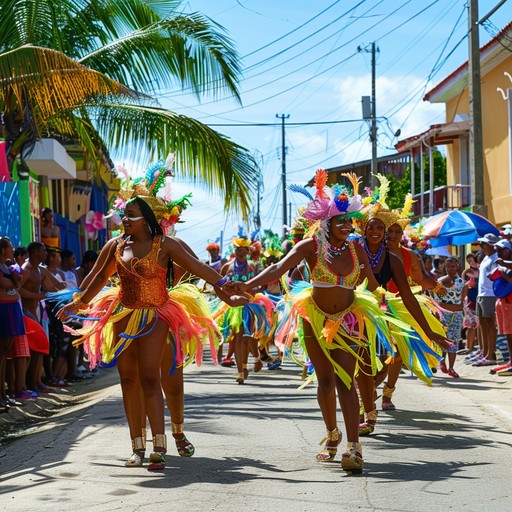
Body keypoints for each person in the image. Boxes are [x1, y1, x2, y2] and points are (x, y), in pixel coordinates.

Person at [57, 179, 242, 471]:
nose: (124, 220)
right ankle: (137, 448)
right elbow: (98, 278)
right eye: (124, 214)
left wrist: (224, 285)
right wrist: (77, 303)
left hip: (157, 315)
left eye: (131, 215)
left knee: (153, 378)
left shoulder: (167, 244)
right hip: (123, 316)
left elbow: (197, 268)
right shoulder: (114, 245)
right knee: (129, 381)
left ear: (149, 219)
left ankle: (162, 443)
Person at [229, 170, 396, 474]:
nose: (347, 226)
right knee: (326, 380)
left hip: (346, 321)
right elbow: (279, 267)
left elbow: (372, 283)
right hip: (315, 318)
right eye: (341, 222)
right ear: (326, 223)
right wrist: (248, 285)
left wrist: (383, 305)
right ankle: (332, 435)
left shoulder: (356, 248)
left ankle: (354, 448)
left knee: (346, 380)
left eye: (350, 221)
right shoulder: (311, 247)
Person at [354, 195, 450, 435]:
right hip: (352, 311)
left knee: (389, 357)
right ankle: (360, 406)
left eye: (381, 228)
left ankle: (371, 404)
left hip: (387, 309)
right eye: (372, 227)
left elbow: (410, 291)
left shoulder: (397, 259)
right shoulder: (353, 249)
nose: (378, 232)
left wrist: (427, 331)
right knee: (357, 364)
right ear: (363, 228)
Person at [216, 229, 274, 383]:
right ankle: (241, 371)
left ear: (248, 252)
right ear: (234, 251)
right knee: (238, 338)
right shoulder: (226, 267)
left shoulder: (254, 267)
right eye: (238, 250)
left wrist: (249, 288)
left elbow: (263, 284)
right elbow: (219, 284)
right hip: (233, 307)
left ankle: (256, 358)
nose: (241, 252)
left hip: (251, 307)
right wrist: (229, 291)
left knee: (250, 339)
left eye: (244, 250)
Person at [0, 237, 26, 412]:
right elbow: (7, 283)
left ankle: (3, 394)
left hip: (11, 308)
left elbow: (17, 283)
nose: (12, 249)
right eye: (10, 247)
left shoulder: (6, 266)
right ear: (3, 250)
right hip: (3, 310)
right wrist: (13, 282)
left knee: (4, 353)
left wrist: (13, 276)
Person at [433, 256, 467, 378]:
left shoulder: (462, 283)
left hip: (456, 315)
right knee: (442, 338)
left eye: (453, 266)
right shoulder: (440, 281)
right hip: (443, 313)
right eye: (448, 266)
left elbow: (462, 300)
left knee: (453, 341)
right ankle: (442, 361)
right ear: (444, 267)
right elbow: (435, 298)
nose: (451, 269)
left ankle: (451, 367)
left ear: (457, 267)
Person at [472, 233, 499, 366]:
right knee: (482, 324)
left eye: (484, 244)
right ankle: (484, 353)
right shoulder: (486, 258)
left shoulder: (496, 259)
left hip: (491, 295)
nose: (482, 246)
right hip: (481, 295)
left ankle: (490, 355)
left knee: (490, 325)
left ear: (492, 245)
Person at [490, 239, 512, 375]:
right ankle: (511, 361)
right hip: (503, 301)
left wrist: (503, 267)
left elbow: (509, 277)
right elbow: (491, 275)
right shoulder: (499, 263)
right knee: (508, 334)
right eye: (497, 250)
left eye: (501, 249)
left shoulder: (504, 263)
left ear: (509, 250)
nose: (499, 252)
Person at [461, 252, 480, 354]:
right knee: (470, 325)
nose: (470, 262)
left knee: (479, 324)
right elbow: (463, 285)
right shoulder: (466, 272)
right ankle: (469, 347)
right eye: (468, 261)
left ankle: (478, 346)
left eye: (471, 259)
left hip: (479, 299)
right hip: (470, 300)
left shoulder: (481, 270)